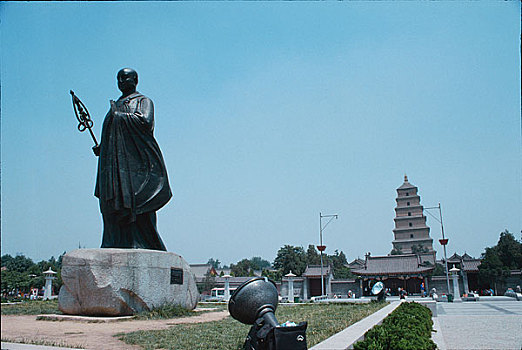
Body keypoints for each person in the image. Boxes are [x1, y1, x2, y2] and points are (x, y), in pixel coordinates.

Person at [93, 68, 172, 251]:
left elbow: (145, 122)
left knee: (140, 210)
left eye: (125, 77)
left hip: (136, 169)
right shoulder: (116, 105)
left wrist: (119, 117)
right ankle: (114, 242)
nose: (121, 81)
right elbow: (112, 133)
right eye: (118, 78)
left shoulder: (143, 101)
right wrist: (104, 146)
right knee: (111, 206)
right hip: (116, 170)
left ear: (135, 80)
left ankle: (143, 243)